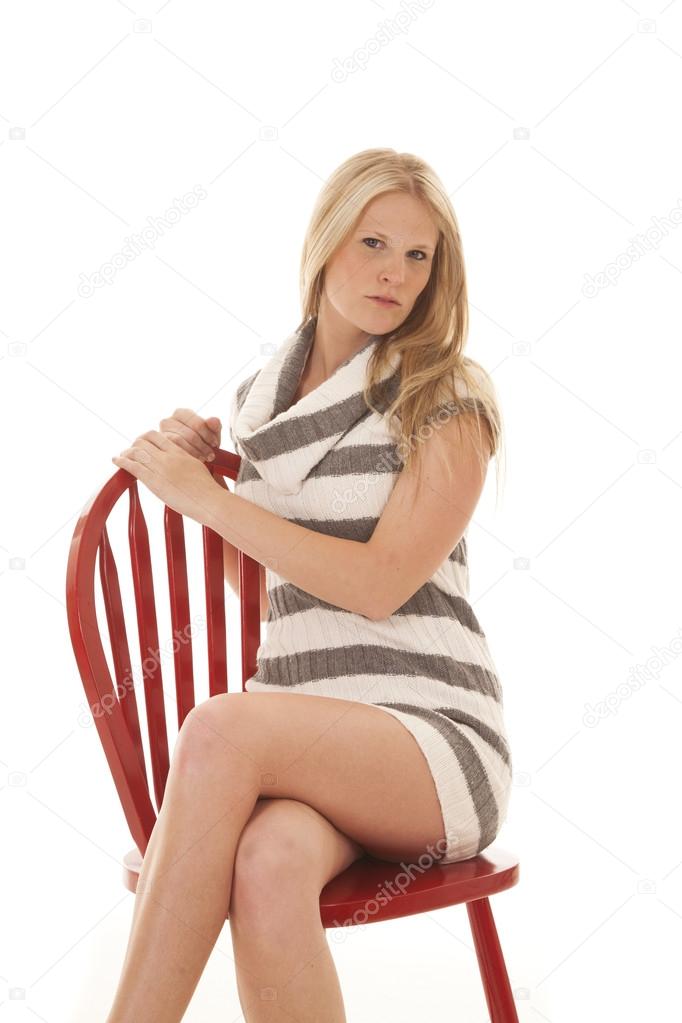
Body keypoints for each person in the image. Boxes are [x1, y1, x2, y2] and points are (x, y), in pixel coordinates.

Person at [109, 147, 512, 1023]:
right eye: (373, 243)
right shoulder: (263, 401)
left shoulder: (447, 397)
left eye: (418, 255)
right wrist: (203, 474)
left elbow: (378, 585)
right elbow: (265, 586)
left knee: (218, 727)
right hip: (310, 736)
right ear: (325, 245)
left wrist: (206, 498)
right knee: (266, 863)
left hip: (429, 741)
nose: (395, 274)